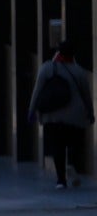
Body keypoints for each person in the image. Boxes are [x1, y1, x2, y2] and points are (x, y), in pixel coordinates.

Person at [29, 41, 95, 189]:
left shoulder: (47, 68)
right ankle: (71, 166)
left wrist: (32, 111)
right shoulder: (78, 71)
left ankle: (61, 180)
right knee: (72, 143)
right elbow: (86, 95)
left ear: (58, 53)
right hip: (74, 117)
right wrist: (91, 113)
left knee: (56, 146)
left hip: (52, 116)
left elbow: (37, 92)